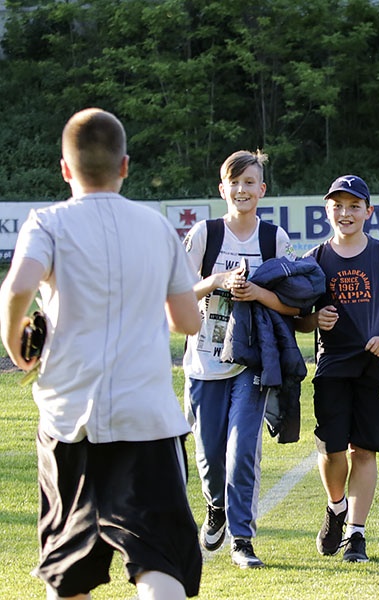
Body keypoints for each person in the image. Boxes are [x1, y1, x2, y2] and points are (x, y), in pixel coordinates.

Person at [0, 108, 203, 599]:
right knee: (159, 562)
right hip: (146, 418)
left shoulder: (47, 223)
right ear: (125, 166)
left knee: (68, 570)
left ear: (66, 169)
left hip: (69, 419)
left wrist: (18, 348)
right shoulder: (156, 228)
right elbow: (186, 321)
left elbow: (16, 290)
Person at [182, 150, 298, 569]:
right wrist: (215, 281)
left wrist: (256, 293)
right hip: (205, 360)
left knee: (242, 452)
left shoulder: (274, 239)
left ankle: (242, 539)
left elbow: (292, 303)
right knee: (210, 455)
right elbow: (175, 292)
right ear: (222, 188)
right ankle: (216, 508)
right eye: (235, 182)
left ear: (262, 190)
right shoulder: (205, 234)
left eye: (250, 182)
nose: (242, 189)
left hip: (253, 365)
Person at [296, 175, 379, 562]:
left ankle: (357, 535)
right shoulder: (314, 259)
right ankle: (336, 509)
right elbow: (297, 319)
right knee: (332, 450)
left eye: (354, 206)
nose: (345, 213)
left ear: (368, 211)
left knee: (364, 452)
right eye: (338, 205)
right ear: (327, 209)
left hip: (375, 366)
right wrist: (315, 321)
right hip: (332, 368)